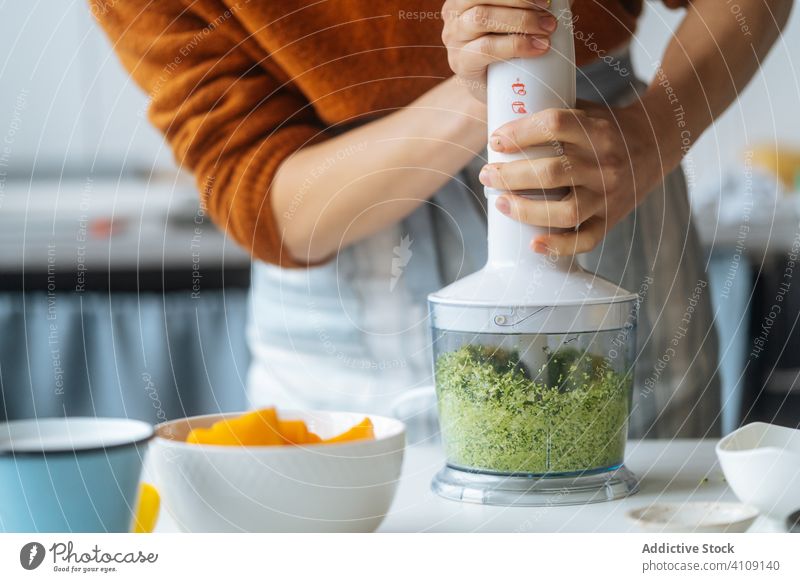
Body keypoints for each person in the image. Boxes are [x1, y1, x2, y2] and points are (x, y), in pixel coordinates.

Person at [94, 0, 791, 438]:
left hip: (610, 192)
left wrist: (652, 135)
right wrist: (476, 96)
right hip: (341, 298)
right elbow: (261, 194)